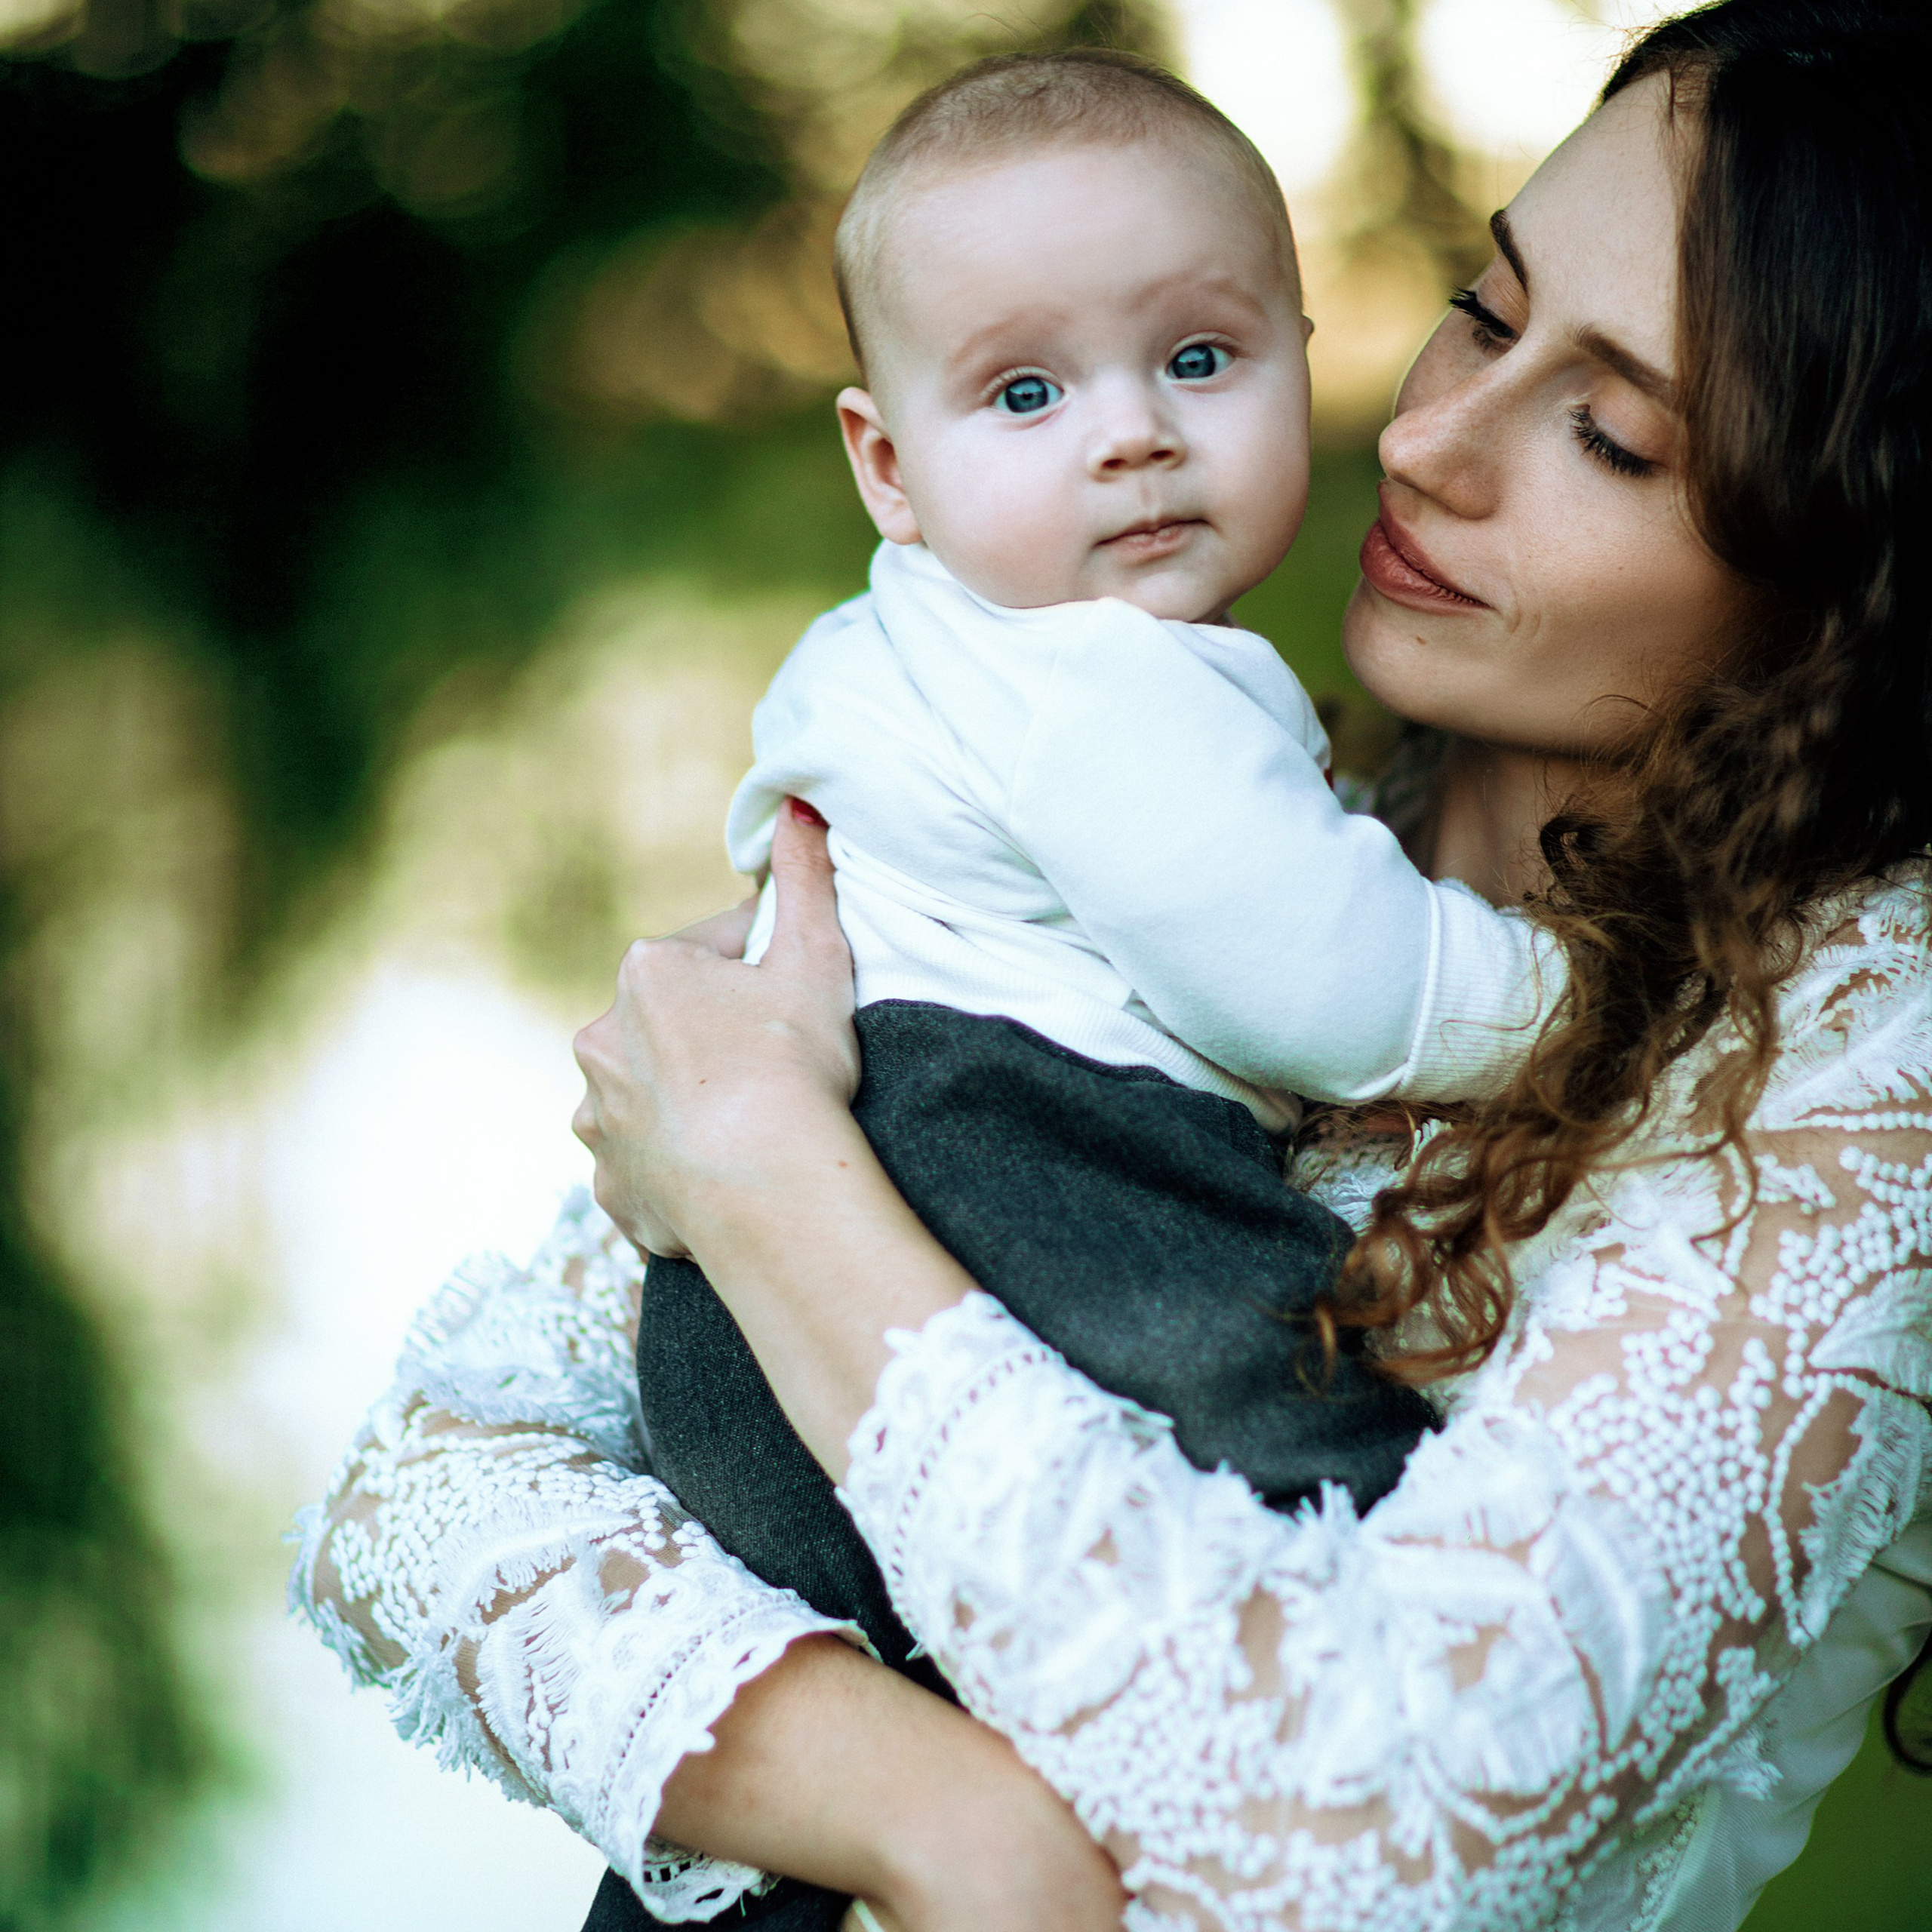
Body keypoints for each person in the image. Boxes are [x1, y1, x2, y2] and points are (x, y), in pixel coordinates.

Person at [293, 4, 1932, 1929]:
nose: (1418, 439)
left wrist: (759, 1170)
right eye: (1480, 315)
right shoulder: (1241, 815)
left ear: (1851, 574)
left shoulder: (1855, 1062)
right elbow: (416, 1493)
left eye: (1609, 431)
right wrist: (934, 1820)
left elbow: (1368, 1827)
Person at [644, 51, 1559, 1801]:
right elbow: (1328, 983)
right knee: (1317, 1456)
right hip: (997, 1164)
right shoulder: (1094, 687)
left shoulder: (927, 640)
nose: (1130, 429)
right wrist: (1570, 992)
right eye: (1024, 390)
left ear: (1301, 354)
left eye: (1198, 360)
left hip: (759, 1320)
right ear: (883, 460)